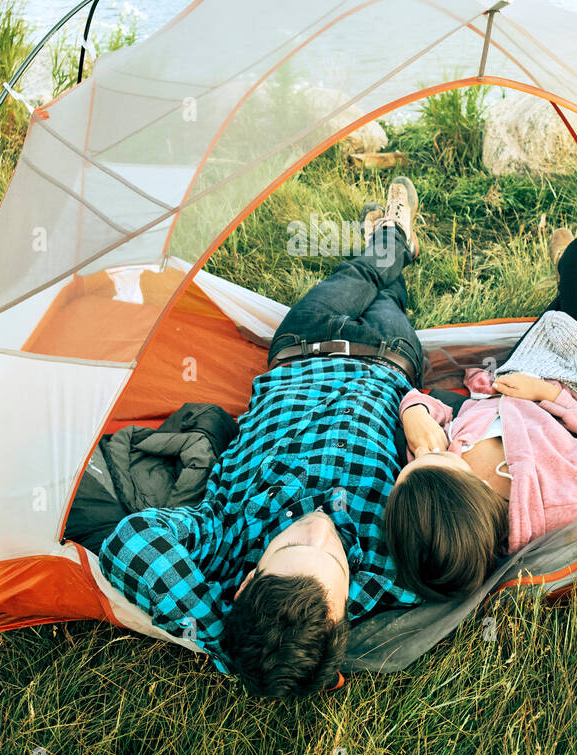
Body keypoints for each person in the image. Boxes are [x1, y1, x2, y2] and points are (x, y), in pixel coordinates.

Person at [98, 178, 426, 701]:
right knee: (388, 297)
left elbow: (130, 542)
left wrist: (224, 636)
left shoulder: (224, 541)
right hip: (387, 357)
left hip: (303, 343)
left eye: (292, 544)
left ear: (247, 582)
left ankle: (387, 242)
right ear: (346, 612)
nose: (319, 527)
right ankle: (393, 243)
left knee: (357, 275)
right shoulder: (393, 570)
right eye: (335, 560)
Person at [383, 232, 577, 601]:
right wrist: (550, 395)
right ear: (468, 492)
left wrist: (414, 411)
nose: (421, 453)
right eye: (429, 460)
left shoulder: (433, 484)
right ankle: (573, 268)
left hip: (522, 370)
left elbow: (433, 418)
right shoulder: (566, 503)